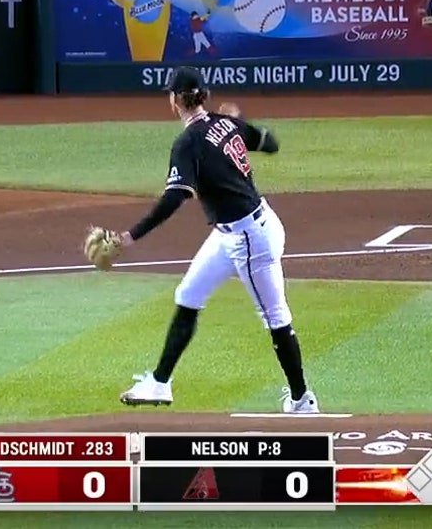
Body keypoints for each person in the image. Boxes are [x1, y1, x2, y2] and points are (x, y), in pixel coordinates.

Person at [116, 67, 319, 414]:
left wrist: (130, 236)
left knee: (274, 315)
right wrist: (236, 125)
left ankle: (302, 399)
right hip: (237, 230)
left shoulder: (188, 143)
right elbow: (270, 143)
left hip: (249, 239)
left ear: (174, 101)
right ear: (203, 96)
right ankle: (160, 382)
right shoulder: (226, 124)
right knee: (188, 295)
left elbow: (174, 198)